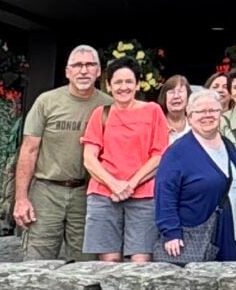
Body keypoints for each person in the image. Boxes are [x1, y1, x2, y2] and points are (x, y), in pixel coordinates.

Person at [13, 45, 112, 261]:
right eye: (77, 65)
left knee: (87, 263)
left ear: (98, 71)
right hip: (47, 192)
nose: (83, 71)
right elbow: (28, 150)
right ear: (67, 72)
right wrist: (21, 198)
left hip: (88, 193)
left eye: (90, 65)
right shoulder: (46, 102)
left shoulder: (109, 106)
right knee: (36, 263)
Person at [80, 62, 169, 263]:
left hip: (143, 194)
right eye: (117, 82)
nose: (123, 87)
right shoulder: (100, 114)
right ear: (109, 86)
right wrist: (114, 185)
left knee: (141, 261)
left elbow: (159, 155)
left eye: (129, 81)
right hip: (104, 194)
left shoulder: (153, 111)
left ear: (138, 85)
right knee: (109, 261)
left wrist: (130, 184)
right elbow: (89, 158)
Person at [154, 88, 236, 264]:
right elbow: (164, 192)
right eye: (201, 111)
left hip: (228, 229)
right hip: (192, 233)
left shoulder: (228, 144)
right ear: (190, 116)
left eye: (213, 110)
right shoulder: (177, 153)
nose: (207, 115)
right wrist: (171, 231)